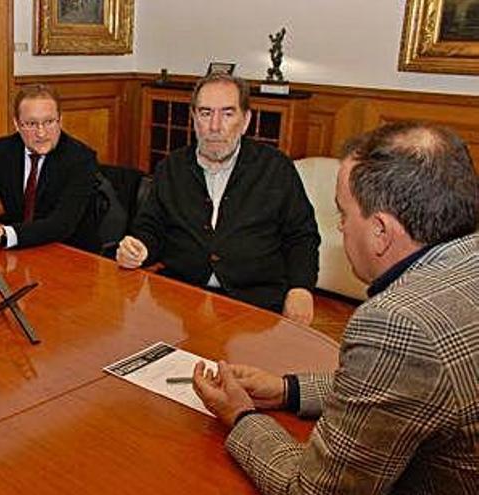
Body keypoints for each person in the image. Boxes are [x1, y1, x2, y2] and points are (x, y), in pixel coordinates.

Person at [192, 121, 479, 494]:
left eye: (343, 214)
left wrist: (240, 415)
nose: (341, 228)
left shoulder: (398, 324)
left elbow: (314, 490)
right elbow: (405, 388)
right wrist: (286, 390)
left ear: (380, 231)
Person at [117, 73, 319, 324]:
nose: (214, 126)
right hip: (181, 297)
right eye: (205, 113)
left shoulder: (275, 168)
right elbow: (150, 227)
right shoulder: (172, 167)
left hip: (254, 305)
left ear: (245, 121)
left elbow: (302, 236)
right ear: (193, 118)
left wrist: (301, 288)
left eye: (227, 114)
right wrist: (138, 248)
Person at [0, 83, 100, 250]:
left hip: (70, 252)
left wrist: (2, 235)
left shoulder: (81, 158)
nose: (41, 133)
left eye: (49, 122)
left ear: (60, 120)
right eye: (31, 124)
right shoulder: (2, 150)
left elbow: (61, 224)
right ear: (17, 124)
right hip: (18, 249)